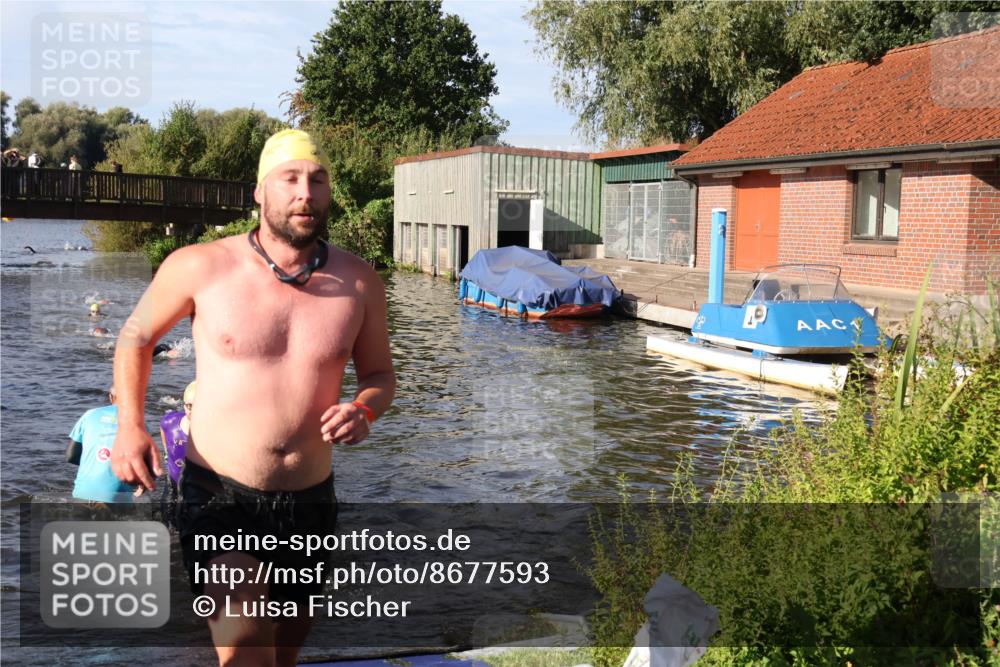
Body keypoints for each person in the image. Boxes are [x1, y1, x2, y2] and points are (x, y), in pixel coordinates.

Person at [112, 128, 396, 666]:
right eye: (289, 179)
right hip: (218, 494)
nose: (304, 193)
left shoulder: (359, 282)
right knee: (246, 653)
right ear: (259, 193)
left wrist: (364, 408)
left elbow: (380, 373)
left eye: (317, 180)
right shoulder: (201, 266)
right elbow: (136, 338)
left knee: (284, 653)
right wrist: (132, 423)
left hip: (311, 500)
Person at [67, 386, 136, 503]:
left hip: (81, 493)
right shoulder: (137, 422)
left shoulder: (89, 415)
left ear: (110, 397)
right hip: (115, 498)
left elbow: (70, 456)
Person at [160, 380, 196, 486]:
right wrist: (167, 452)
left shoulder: (211, 432)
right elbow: (163, 427)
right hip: (172, 484)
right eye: (190, 406)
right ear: (184, 405)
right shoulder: (171, 422)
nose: (194, 410)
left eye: (198, 405)